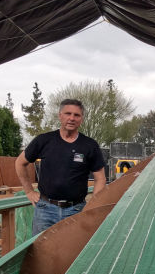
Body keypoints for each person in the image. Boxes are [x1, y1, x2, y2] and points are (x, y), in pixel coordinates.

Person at [15, 99, 106, 235]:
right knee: (42, 252)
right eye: (68, 113)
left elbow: (100, 178)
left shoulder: (89, 145)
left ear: (81, 119)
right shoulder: (44, 140)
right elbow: (20, 163)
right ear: (60, 115)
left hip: (76, 210)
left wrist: (92, 205)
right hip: (45, 210)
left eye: (77, 115)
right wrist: (29, 191)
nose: (71, 118)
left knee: (73, 252)